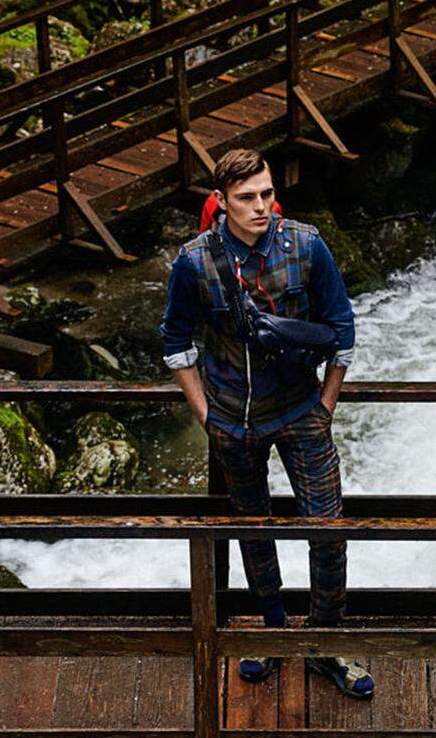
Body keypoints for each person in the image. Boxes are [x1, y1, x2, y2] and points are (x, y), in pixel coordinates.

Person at [160, 146, 374, 698]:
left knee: (327, 530)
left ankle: (326, 641)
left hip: (303, 412)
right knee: (254, 529)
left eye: (267, 194)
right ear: (222, 201)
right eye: (247, 198)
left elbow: (342, 328)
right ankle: (274, 630)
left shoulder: (305, 246)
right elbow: (175, 341)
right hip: (233, 418)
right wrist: (207, 415)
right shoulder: (195, 261)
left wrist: (326, 405)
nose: (261, 207)